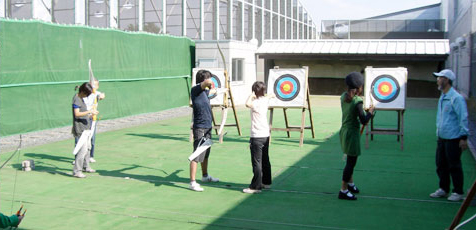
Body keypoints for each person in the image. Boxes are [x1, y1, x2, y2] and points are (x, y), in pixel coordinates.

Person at [429, 69, 469, 202]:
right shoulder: (443, 96)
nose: (437, 80)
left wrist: (463, 137)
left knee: (454, 165)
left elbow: (463, 118)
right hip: (442, 138)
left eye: (440, 78)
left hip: (453, 138)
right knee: (441, 164)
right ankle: (443, 189)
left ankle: (458, 191)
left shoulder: (456, 98)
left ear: (446, 80)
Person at [338, 72, 374, 200]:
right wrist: (370, 113)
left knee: (350, 161)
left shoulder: (343, 96)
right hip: (352, 134)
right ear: (359, 87)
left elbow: (353, 111)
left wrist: (364, 112)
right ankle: (343, 190)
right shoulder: (358, 101)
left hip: (344, 132)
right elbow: (364, 120)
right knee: (351, 163)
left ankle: (350, 184)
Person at [189, 70, 219, 192]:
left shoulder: (204, 92)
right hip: (200, 128)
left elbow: (211, 90)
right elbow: (207, 83)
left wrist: (220, 90)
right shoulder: (196, 90)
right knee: (196, 155)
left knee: (205, 154)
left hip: (207, 126)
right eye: (209, 79)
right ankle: (192, 182)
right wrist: (210, 82)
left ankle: (205, 176)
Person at [243, 81, 275, 194]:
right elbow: (270, 95)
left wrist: (251, 95)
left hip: (257, 136)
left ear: (254, 91)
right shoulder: (265, 100)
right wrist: (267, 94)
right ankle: (266, 183)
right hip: (265, 135)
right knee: (265, 159)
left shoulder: (255, 102)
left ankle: (255, 187)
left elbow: (247, 104)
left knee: (257, 162)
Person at [72, 82, 98, 178]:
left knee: (88, 148)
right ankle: (77, 171)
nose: (86, 96)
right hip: (80, 129)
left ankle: (86, 166)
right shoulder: (76, 100)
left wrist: (90, 114)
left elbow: (83, 113)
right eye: (86, 94)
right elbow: (77, 114)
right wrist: (89, 111)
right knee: (82, 150)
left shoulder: (81, 99)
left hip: (86, 128)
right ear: (82, 92)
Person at [83, 79, 106, 163]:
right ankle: (78, 158)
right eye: (92, 85)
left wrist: (101, 96)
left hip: (93, 119)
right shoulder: (85, 94)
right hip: (84, 118)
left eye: (95, 85)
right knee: (80, 138)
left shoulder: (97, 93)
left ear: (97, 86)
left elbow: (102, 95)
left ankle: (90, 156)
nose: (93, 87)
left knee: (92, 139)